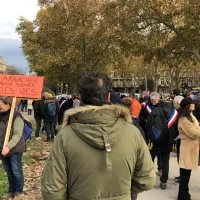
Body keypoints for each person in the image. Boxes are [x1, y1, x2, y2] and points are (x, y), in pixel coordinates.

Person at [41, 71, 156, 200]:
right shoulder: (133, 133)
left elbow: (52, 190)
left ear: (80, 97)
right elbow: (147, 179)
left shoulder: (64, 136)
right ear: (108, 97)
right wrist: (123, 193)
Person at [142, 92, 177, 190]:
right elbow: (176, 127)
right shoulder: (173, 111)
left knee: (150, 158)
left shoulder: (155, 110)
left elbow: (148, 125)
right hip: (168, 139)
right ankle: (163, 181)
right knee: (165, 161)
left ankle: (148, 178)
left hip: (156, 138)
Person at [0, 97, 26, 200]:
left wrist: (8, 146)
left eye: (1, 103)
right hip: (2, 148)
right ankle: (11, 191)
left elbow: (17, 135)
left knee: (16, 171)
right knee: (9, 171)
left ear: (8, 104)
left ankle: (19, 192)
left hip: (14, 149)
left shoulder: (16, 117)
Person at [177, 98, 200, 200]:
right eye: (192, 104)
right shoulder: (184, 119)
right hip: (187, 148)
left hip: (191, 148)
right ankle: (183, 195)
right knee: (185, 174)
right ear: (188, 106)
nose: (194, 105)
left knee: (187, 173)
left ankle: (184, 194)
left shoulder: (190, 116)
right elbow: (194, 134)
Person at [173, 95, 184, 185]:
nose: (173, 105)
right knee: (180, 158)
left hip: (180, 138)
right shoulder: (181, 111)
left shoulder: (180, 112)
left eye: (174, 103)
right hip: (178, 137)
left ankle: (182, 177)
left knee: (181, 158)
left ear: (177, 103)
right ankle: (181, 176)